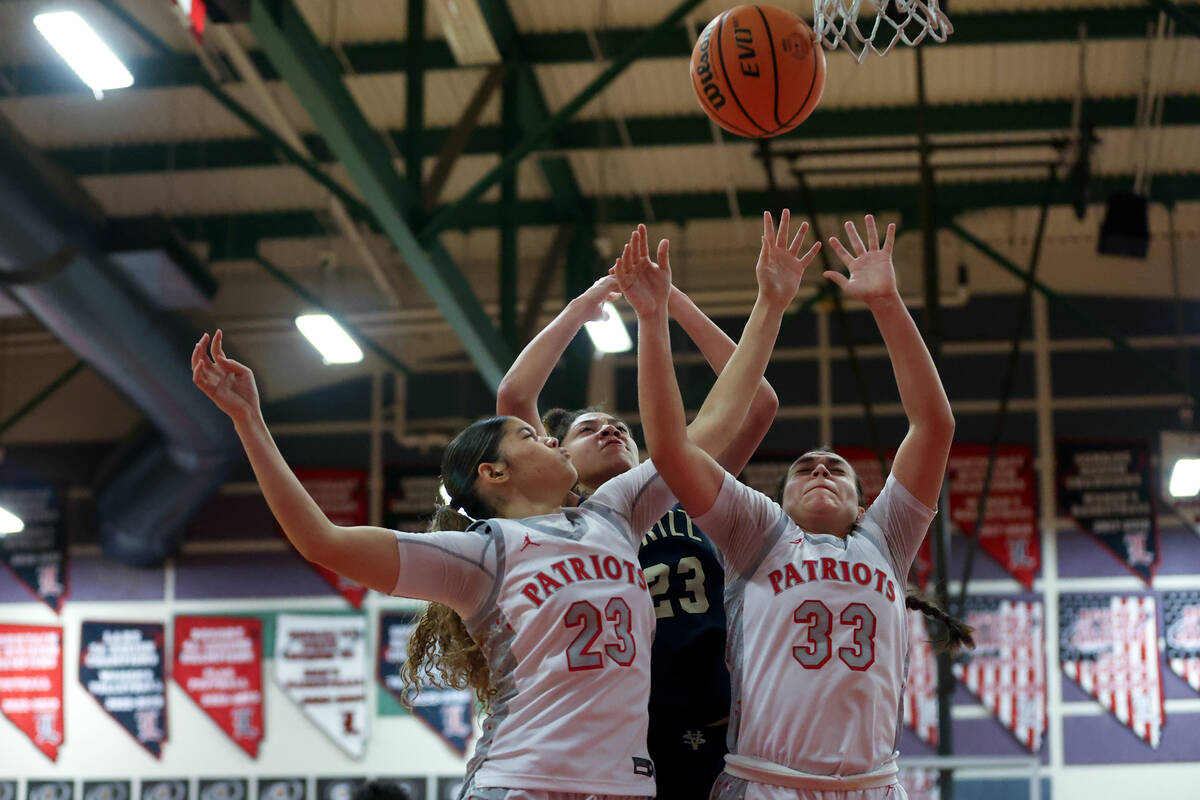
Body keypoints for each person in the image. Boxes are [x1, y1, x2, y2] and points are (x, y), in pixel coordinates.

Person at [190, 327, 749, 800]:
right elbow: (322, 541)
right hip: (521, 780)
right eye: (530, 435)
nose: (552, 442)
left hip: (626, 786)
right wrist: (249, 421)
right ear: (494, 473)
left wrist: (745, 303)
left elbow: (717, 422)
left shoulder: (617, 513)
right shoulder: (482, 552)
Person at [622, 214, 972, 799]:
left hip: (873, 785)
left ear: (865, 503)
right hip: (767, 783)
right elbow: (671, 450)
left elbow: (934, 425)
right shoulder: (760, 533)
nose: (818, 470)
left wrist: (886, 302)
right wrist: (667, 318)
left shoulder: (886, 538)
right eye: (802, 469)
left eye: (834, 467)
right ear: (777, 498)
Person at [493, 218, 819, 800]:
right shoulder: (557, 517)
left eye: (620, 426)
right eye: (589, 428)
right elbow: (515, 400)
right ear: (554, 452)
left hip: (716, 717)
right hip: (614, 724)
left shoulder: (677, 488)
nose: (612, 429)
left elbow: (758, 403)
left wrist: (667, 301)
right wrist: (579, 308)